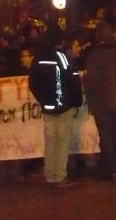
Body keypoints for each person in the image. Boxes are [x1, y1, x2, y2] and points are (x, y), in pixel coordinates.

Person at [28, 25, 83, 188]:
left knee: (50, 142)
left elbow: (32, 83)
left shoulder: (37, 58)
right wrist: (76, 102)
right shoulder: (61, 57)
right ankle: (60, 175)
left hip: (48, 107)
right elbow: (73, 80)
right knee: (62, 142)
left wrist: (42, 100)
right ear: (61, 41)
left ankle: (50, 174)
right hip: (64, 106)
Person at [83, 20, 116, 180]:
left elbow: (91, 82)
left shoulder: (95, 56)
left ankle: (110, 169)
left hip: (101, 100)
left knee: (105, 135)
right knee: (114, 132)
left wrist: (86, 85)